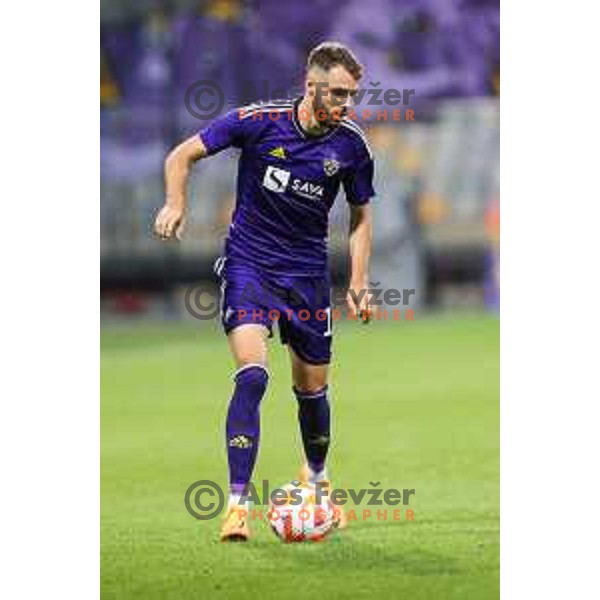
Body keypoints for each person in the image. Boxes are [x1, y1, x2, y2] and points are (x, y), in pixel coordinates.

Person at [154, 42, 375, 541]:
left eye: (352, 95)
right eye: (338, 93)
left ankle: (316, 481)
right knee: (252, 375)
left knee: (312, 389)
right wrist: (174, 203)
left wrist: (359, 280)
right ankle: (236, 505)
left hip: (308, 276)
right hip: (250, 265)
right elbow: (181, 155)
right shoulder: (259, 121)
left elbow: (361, 216)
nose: (345, 104)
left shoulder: (351, 147)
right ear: (311, 85)